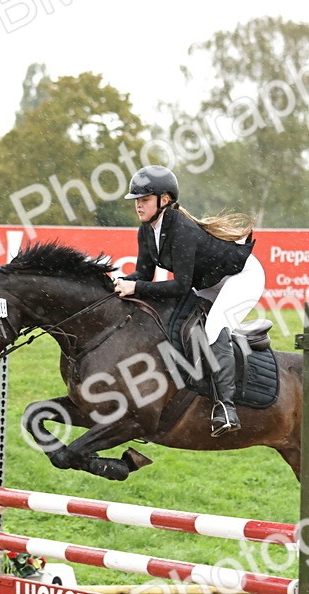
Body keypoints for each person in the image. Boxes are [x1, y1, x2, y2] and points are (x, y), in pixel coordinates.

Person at [113, 165, 264, 437]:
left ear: (165, 200)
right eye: (136, 200)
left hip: (241, 278)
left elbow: (180, 285)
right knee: (181, 322)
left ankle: (226, 409)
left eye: (144, 200)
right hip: (208, 283)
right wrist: (116, 283)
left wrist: (136, 286)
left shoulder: (181, 229)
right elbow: (143, 275)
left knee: (214, 327)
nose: (139, 205)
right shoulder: (147, 230)